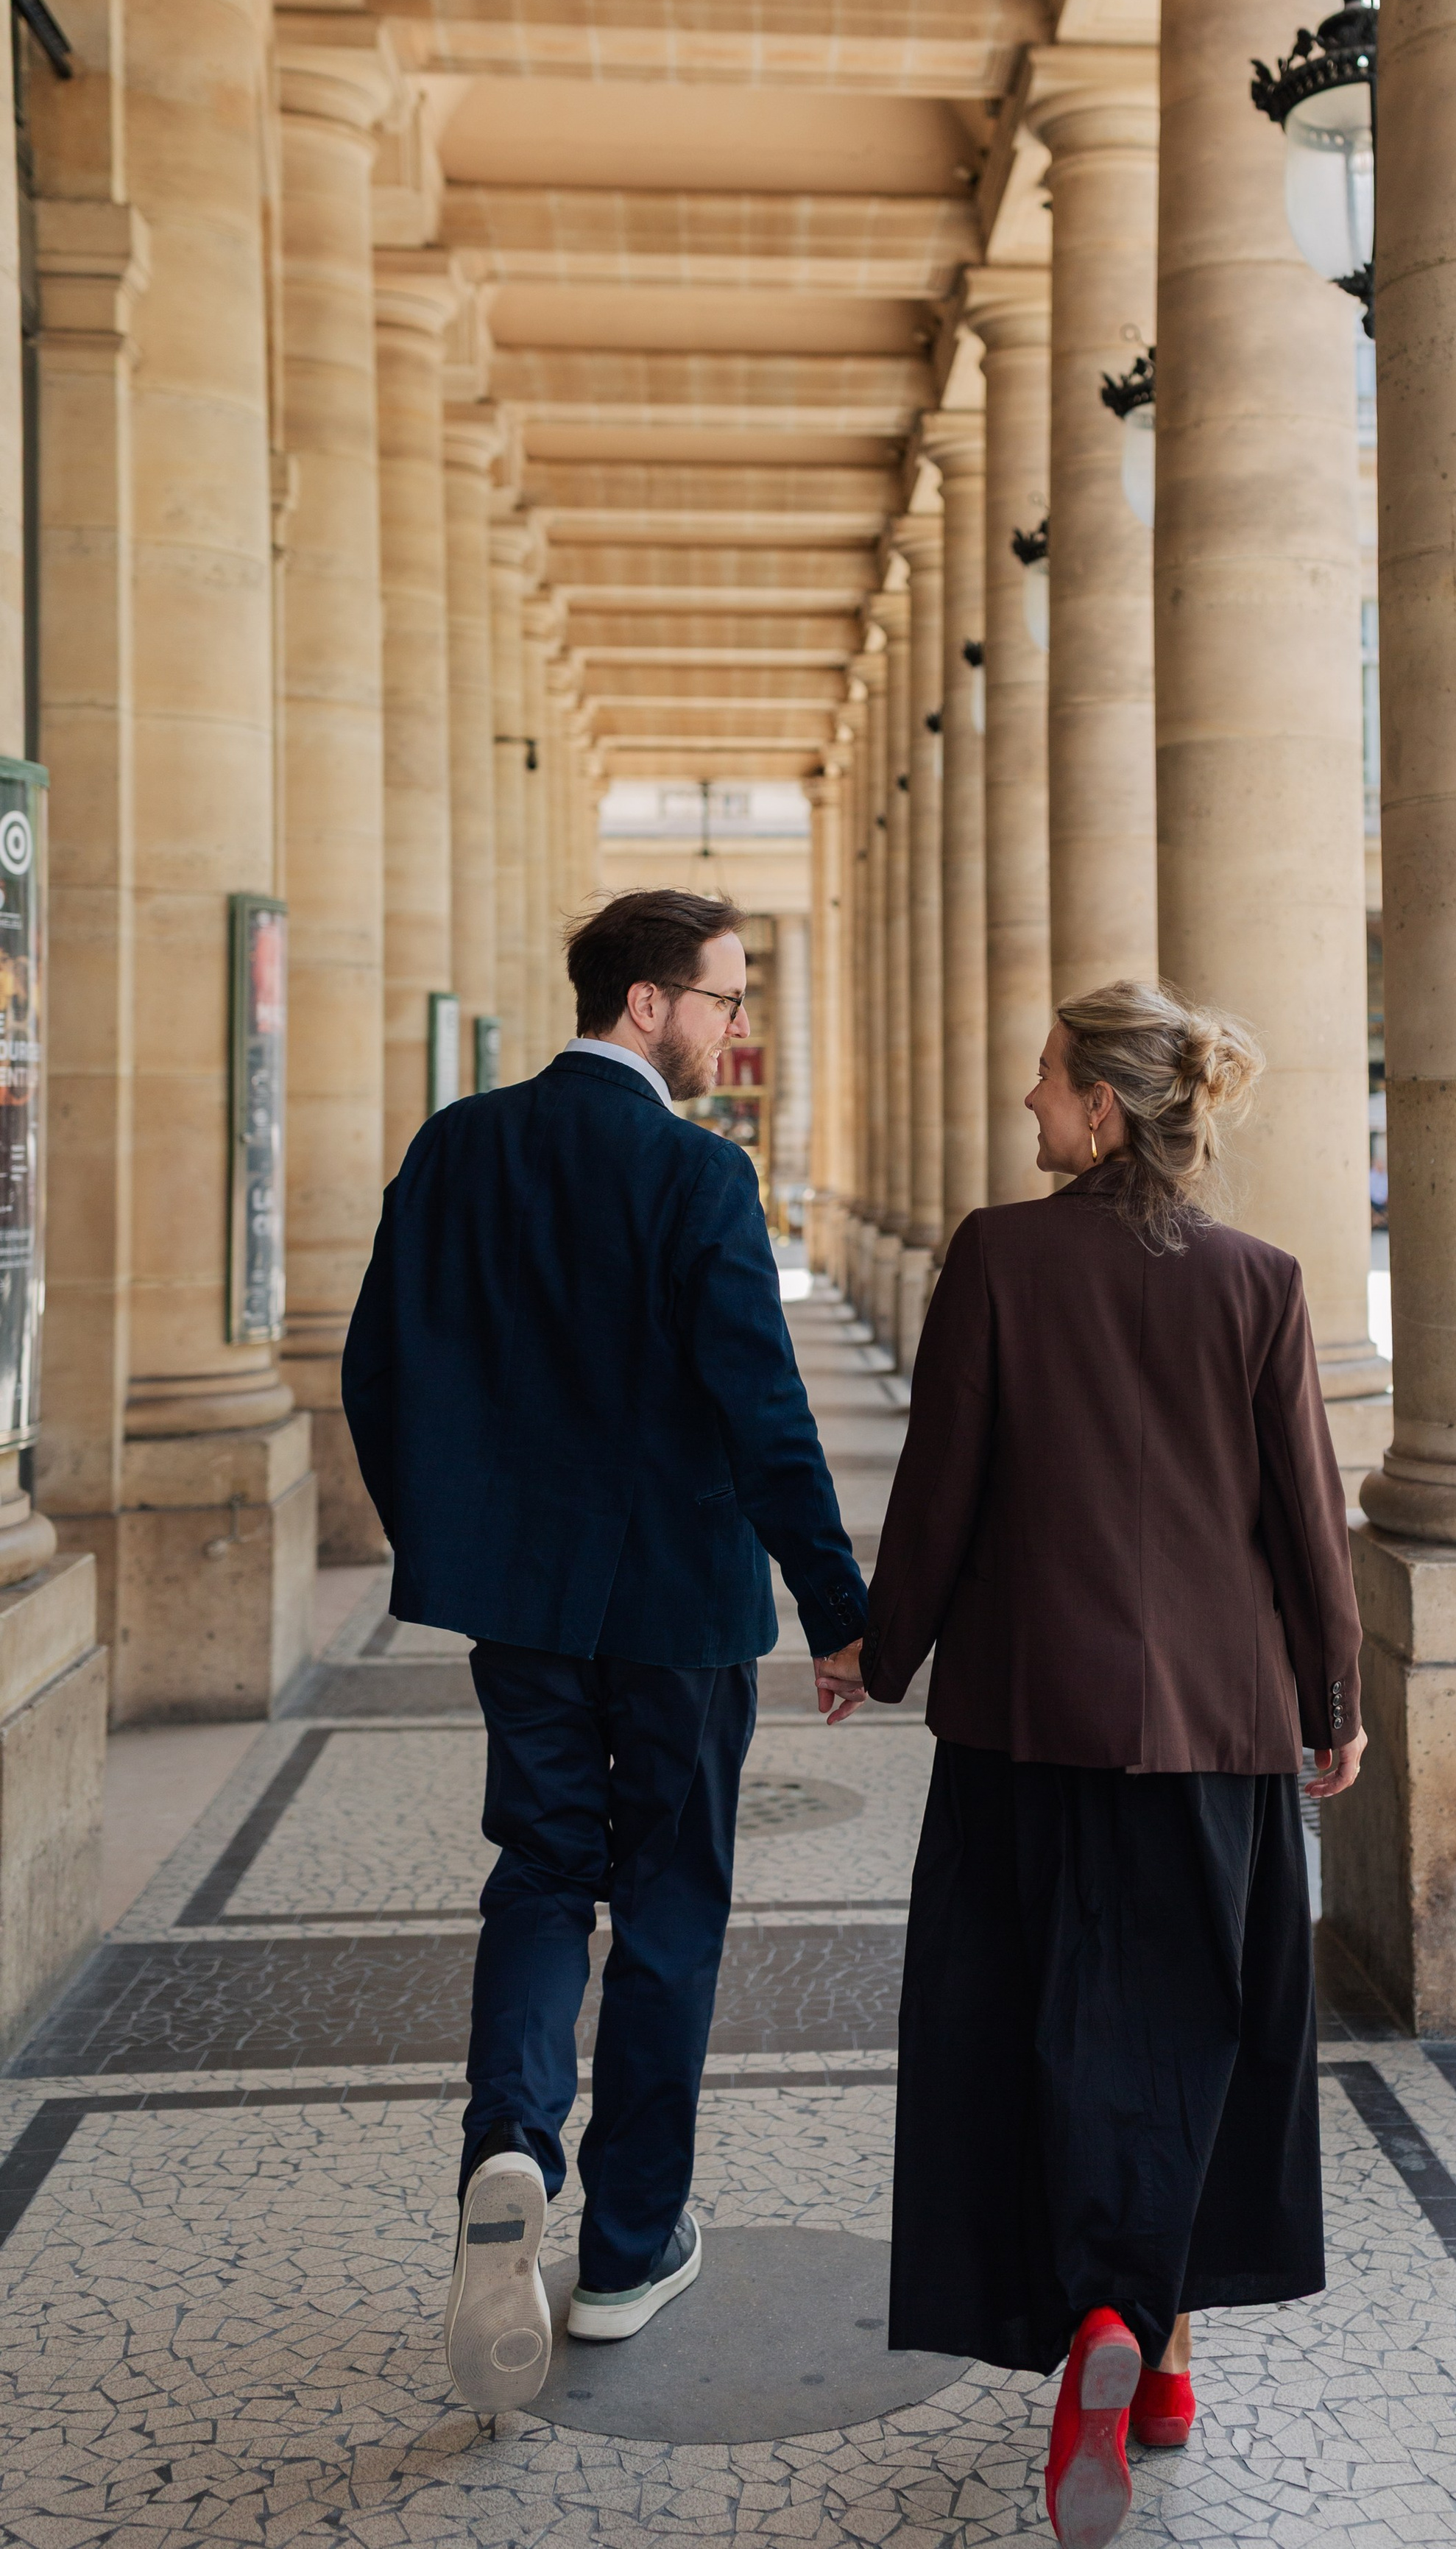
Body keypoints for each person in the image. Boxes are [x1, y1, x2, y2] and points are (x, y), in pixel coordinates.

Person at [817, 979, 1365, 2549]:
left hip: (1022, 1724)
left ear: (1106, 1110)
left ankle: (1098, 2327)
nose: (1029, 1104)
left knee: (1032, 2026)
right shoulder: (1261, 1283)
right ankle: (1160, 2349)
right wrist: (1331, 1700)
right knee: (1197, 2035)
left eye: (1049, 1082)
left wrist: (883, 1646)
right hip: (1218, 1728)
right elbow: (1302, 1521)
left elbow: (939, 1490)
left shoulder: (996, 1255)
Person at [343, 889, 868, 2411]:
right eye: (724, 999)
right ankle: (629, 2248)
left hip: (523, 1603)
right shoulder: (697, 1175)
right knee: (667, 1902)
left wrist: (451, 1541)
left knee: (538, 1867)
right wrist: (835, 1606)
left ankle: (508, 2142)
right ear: (647, 1003)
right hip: (678, 1608)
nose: (735, 1028)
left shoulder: (458, 1148)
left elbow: (378, 1369)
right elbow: (761, 1412)